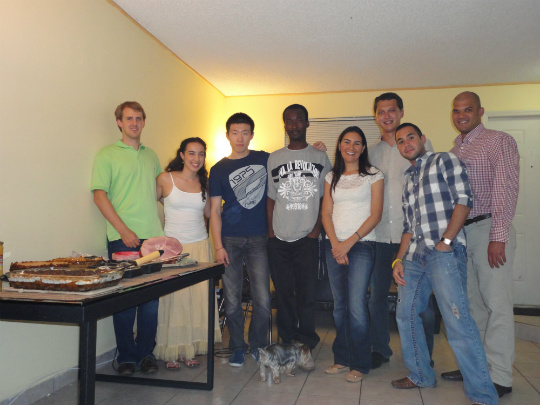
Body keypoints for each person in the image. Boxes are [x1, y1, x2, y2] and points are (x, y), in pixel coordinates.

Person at [390, 123, 498, 405]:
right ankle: (421, 374)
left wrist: (446, 242)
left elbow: (465, 199)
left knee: (457, 320)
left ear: (423, 138)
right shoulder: (408, 178)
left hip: (443, 254)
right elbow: (408, 226)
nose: (406, 144)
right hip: (414, 257)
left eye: (410, 137)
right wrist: (398, 259)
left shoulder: (444, 160)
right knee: (405, 315)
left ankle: (483, 395)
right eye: (400, 141)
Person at [442, 91, 519, 399]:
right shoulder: (455, 150)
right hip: (463, 234)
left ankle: (500, 376)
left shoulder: (499, 141)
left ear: (480, 111)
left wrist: (498, 237)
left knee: (497, 305)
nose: (461, 115)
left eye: (467, 110)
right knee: (473, 308)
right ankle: (476, 367)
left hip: (489, 229)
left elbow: (506, 189)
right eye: (456, 110)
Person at [91, 101, 163, 375]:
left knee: (150, 302)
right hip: (123, 239)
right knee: (124, 301)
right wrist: (124, 231)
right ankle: (126, 357)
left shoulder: (151, 155)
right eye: (129, 118)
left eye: (139, 118)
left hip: (153, 240)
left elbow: (158, 192)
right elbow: (99, 196)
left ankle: (146, 354)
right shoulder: (106, 155)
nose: (134, 123)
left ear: (144, 122)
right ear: (119, 122)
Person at [368, 92, 436, 368]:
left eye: (391, 110)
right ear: (376, 116)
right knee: (376, 299)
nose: (387, 116)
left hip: (414, 239)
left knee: (422, 304)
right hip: (380, 237)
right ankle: (380, 350)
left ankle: (425, 356)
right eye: (381, 111)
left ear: (401, 112)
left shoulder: (419, 144)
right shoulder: (369, 152)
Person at [321, 126, 383, 383]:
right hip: (333, 244)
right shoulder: (331, 176)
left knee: (357, 306)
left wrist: (348, 243)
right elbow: (326, 213)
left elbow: (376, 214)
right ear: (339, 145)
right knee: (339, 307)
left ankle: (360, 362)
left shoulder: (374, 175)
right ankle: (342, 358)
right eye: (347, 142)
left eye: (357, 143)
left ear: (363, 148)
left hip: (362, 245)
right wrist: (336, 244)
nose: (351, 147)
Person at [267, 104, 331, 351]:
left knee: (306, 293)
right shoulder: (275, 157)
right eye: (289, 121)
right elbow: (271, 197)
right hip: (279, 237)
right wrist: (271, 232)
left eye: (299, 120)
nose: (294, 125)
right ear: (285, 125)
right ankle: (286, 338)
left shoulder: (320, 157)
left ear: (307, 123)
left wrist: (316, 230)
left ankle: (307, 340)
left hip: (307, 235)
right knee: (283, 293)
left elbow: (326, 197)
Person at [209, 113, 272, 367]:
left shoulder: (265, 159)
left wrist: (318, 148)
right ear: (227, 135)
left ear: (252, 135)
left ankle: (257, 345)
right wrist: (218, 246)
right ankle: (237, 346)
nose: (240, 137)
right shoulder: (218, 169)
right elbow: (214, 210)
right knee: (232, 299)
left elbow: (292, 157)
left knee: (263, 300)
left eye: (245, 132)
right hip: (230, 240)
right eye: (235, 132)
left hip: (259, 238)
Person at [153, 137, 221, 369]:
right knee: (175, 301)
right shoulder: (165, 178)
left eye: (201, 154)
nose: (196, 158)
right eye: (191, 153)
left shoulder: (206, 183)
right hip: (173, 251)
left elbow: (212, 214)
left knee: (196, 300)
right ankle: (171, 351)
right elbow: (148, 206)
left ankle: (189, 350)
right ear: (182, 155)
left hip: (200, 247)